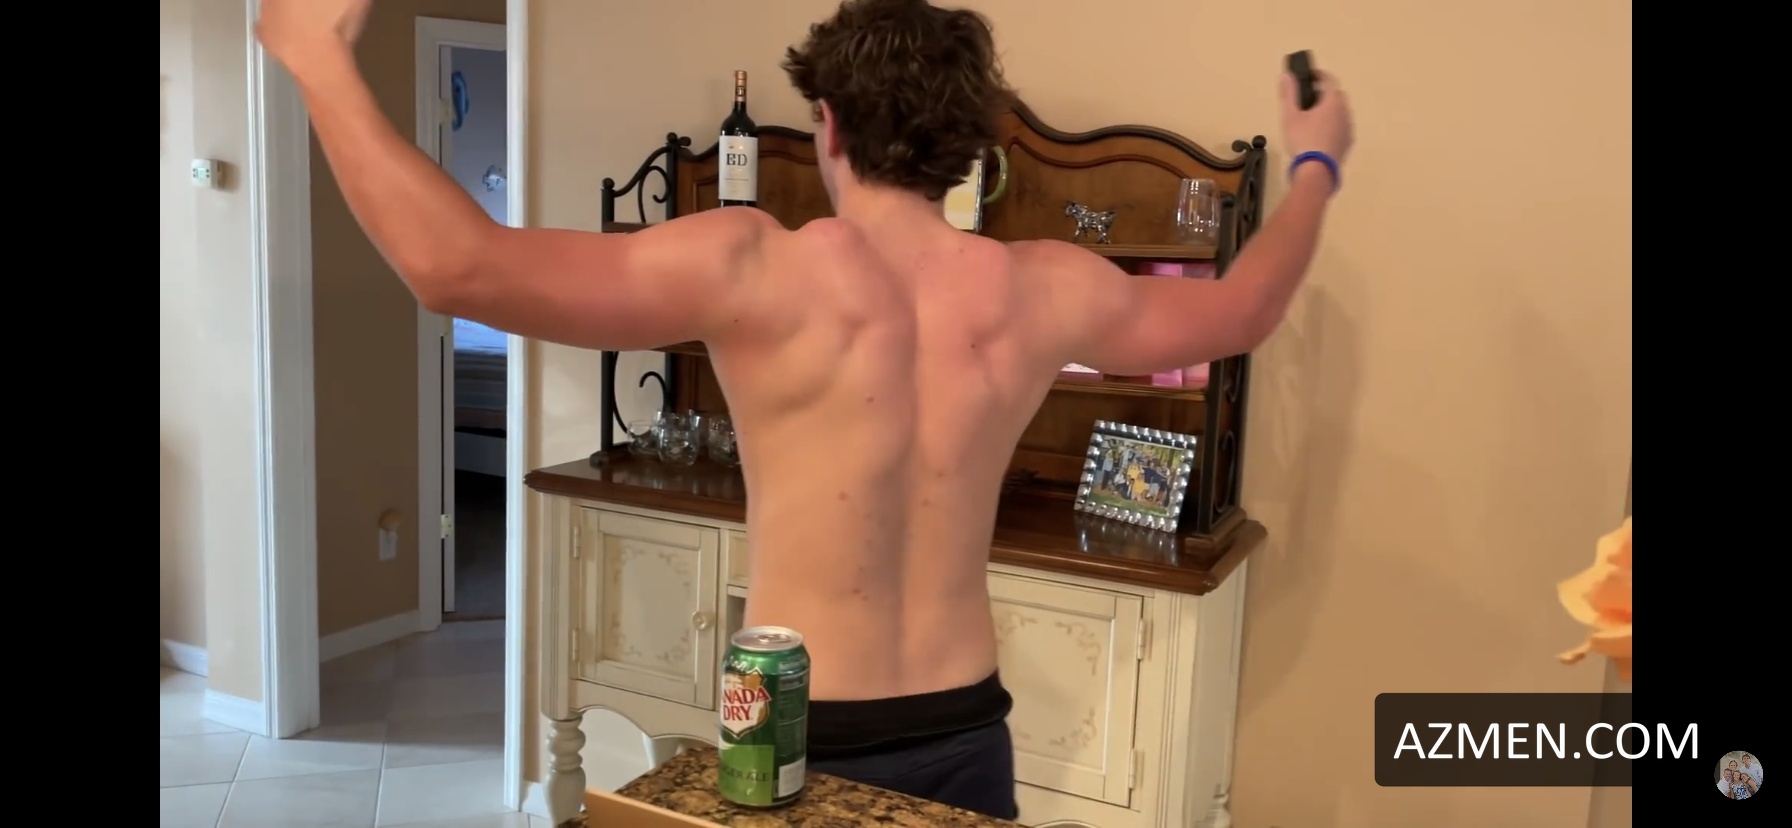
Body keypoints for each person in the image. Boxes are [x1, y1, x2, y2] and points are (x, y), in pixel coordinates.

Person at [254, 0, 1353, 818]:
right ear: (971, 145)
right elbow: (1243, 311)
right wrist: (1313, 164)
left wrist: (317, 62)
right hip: (967, 724)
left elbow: (457, 266)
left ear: (827, 126)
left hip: (791, 725)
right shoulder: (1044, 289)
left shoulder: (756, 266)